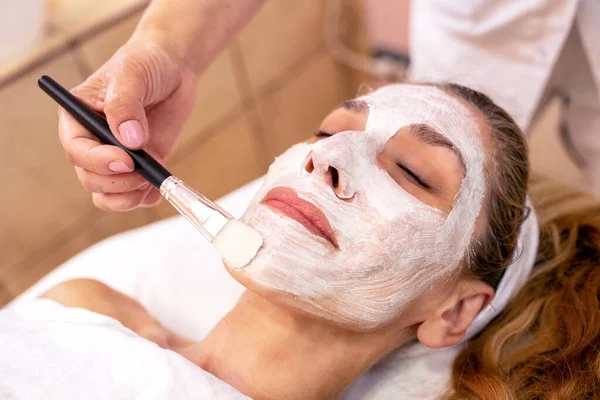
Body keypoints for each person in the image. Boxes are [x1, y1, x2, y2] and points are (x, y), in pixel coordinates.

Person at [40, 83, 600, 398]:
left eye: (412, 172)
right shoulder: (87, 308)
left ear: (453, 313)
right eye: (331, 130)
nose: (327, 156)